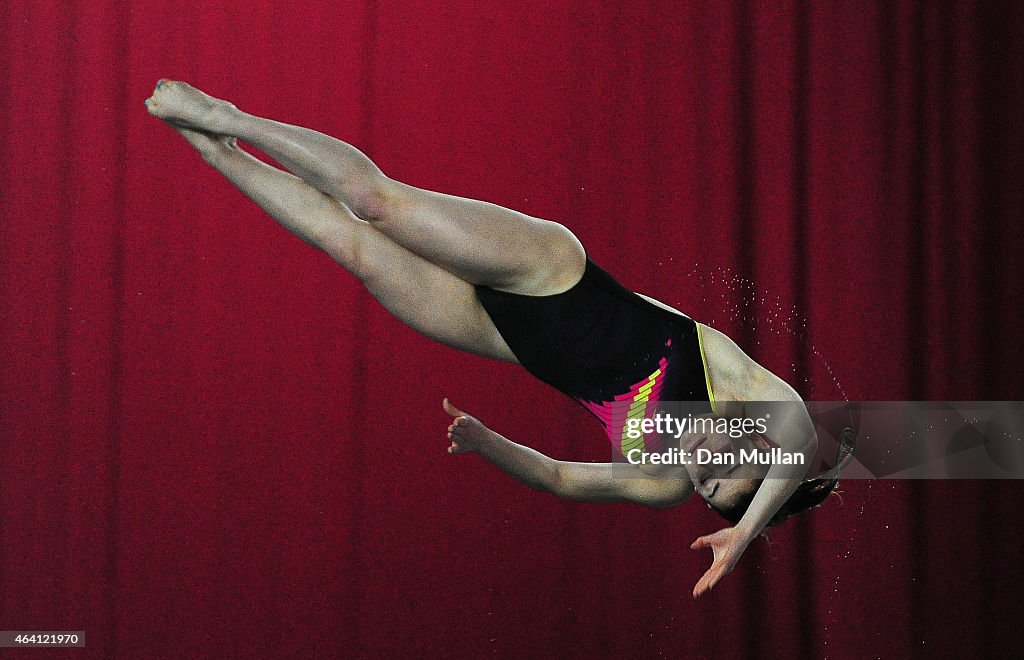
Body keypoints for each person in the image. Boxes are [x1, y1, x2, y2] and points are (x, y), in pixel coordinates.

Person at [145, 80, 829, 598]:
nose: (701, 466)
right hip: (548, 272)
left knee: (350, 247)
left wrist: (484, 442)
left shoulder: (658, 482)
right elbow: (801, 439)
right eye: (725, 464)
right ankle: (228, 118)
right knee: (378, 205)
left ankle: (211, 149)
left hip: (500, 335)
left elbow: (560, 478)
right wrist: (743, 532)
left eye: (706, 487)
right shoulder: (739, 385)